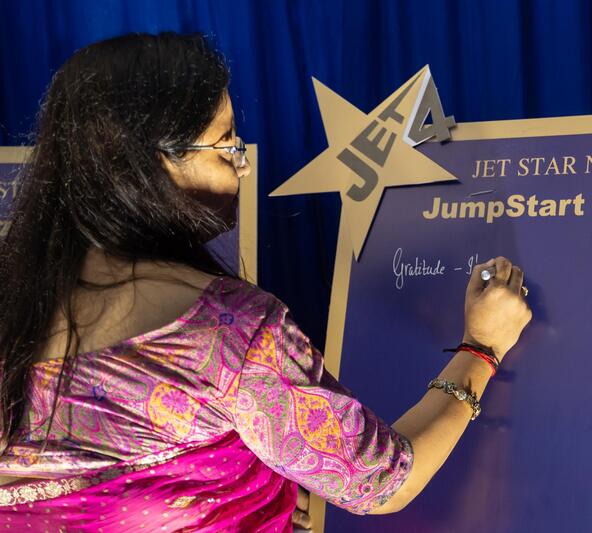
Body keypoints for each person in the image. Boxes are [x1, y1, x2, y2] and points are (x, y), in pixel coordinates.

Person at [0, 32, 532, 531]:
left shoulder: (13, 311)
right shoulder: (226, 330)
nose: (243, 166)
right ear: (152, 163)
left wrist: (249, 491)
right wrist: (481, 348)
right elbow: (384, 483)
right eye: (226, 144)